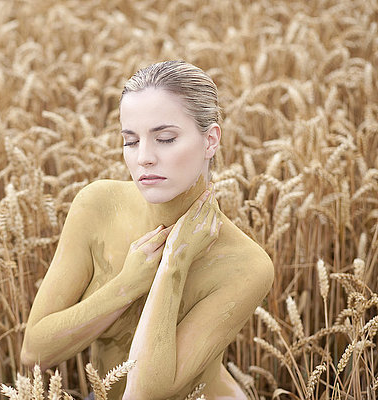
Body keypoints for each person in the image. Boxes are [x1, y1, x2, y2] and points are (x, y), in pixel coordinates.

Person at [20, 60, 275, 400]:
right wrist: (128, 285)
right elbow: (34, 352)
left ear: (211, 140)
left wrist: (173, 264)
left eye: (165, 138)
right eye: (130, 141)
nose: (144, 158)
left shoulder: (247, 264)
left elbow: (148, 392)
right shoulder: (97, 206)